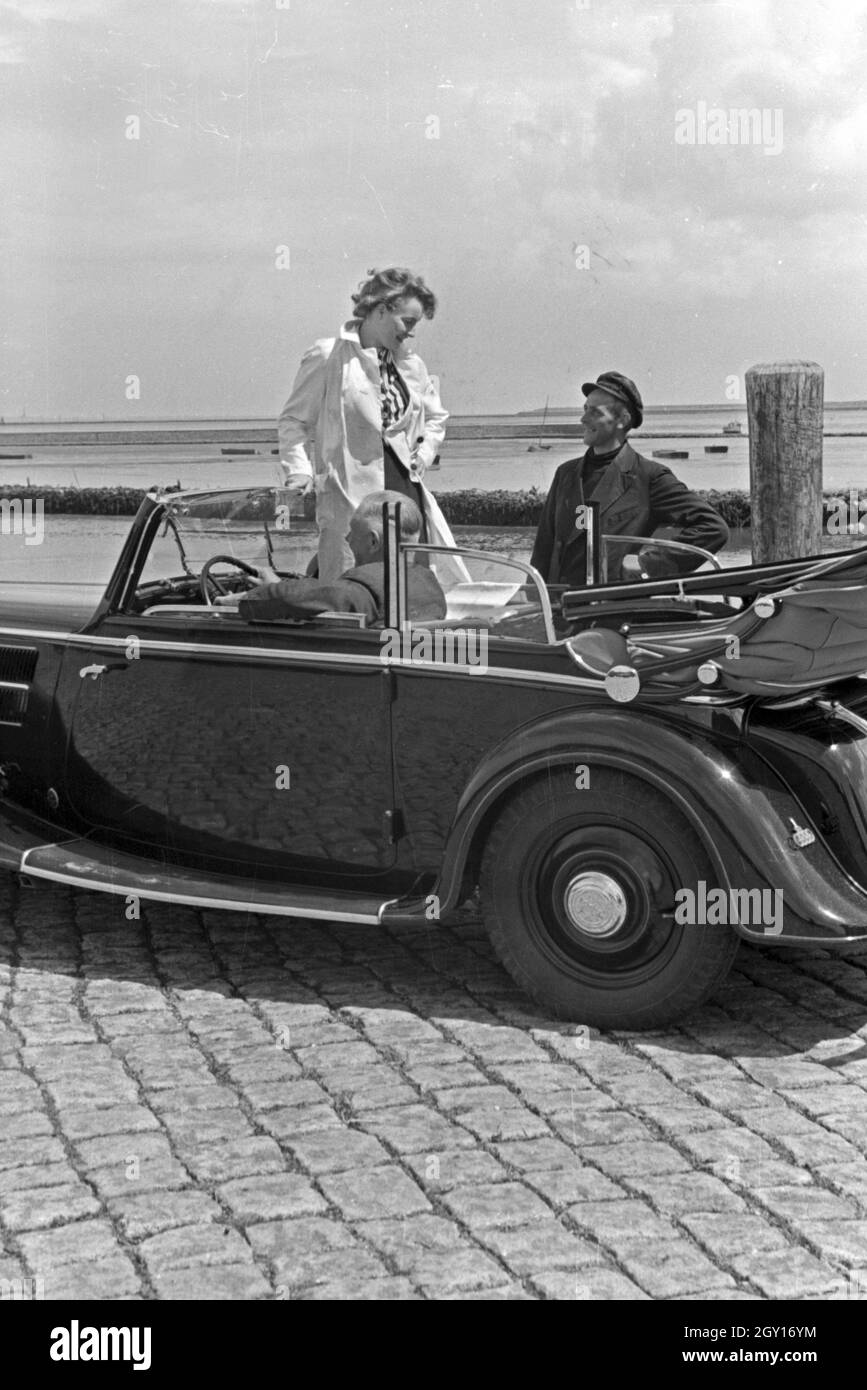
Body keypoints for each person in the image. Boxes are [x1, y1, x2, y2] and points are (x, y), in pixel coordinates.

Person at [277, 266, 457, 581]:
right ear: (381, 309)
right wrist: (299, 472)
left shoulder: (411, 365)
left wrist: (423, 456)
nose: (410, 332)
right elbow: (293, 421)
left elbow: (436, 417)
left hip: (403, 493)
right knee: (351, 587)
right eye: (408, 322)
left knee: (408, 586)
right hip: (349, 499)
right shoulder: (329, 355)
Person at [530, 371, 729, 588]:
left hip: (614, 611)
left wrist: (648, 563)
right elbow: (543, 549)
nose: (583, 419)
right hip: (559, 611)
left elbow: (713, 528)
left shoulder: (648, 476)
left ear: (622, 420)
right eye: (585, 409)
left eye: (595, 412)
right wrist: (532, 603)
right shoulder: (565, 473)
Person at [229, 492, 446, 626]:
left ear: (373, 542)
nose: (348, 539)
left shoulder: (365, 590)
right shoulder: (431, 586)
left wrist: (249, 597)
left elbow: (290, 598)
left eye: (353, 531)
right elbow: (322, 595)